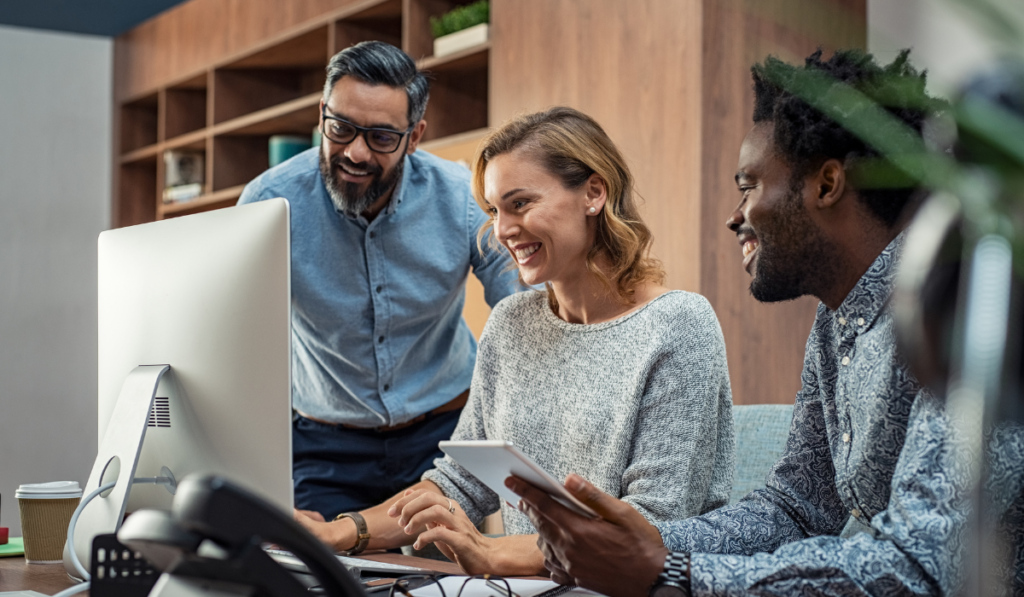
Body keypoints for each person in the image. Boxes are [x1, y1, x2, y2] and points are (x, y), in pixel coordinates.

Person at [511, 49, 1022, 596]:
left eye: (748, 185)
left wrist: (671, 573)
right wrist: (654, 543)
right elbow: (796, 509)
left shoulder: (964, 305)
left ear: (826, 185)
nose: (735, 216)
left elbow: (919, 566)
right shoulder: (835, 324)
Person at [295, 107, 735, 575]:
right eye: (494, 211)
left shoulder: (679, 325)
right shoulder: (510, 323)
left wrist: (492, 553)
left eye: (520, 203)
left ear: (593, 192)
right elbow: (458, 483)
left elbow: (651, 528)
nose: (502, 230)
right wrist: (341, 532)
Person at [237, 41, 520, 519]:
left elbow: (523, 308)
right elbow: (235, 336)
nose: (355, 152)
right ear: (322, 112)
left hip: (444, 439)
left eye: (382, 138)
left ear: (415, 136)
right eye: (341, 128)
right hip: (325, 449)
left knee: (442, 586)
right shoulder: (268, 204)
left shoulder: (461, 199)